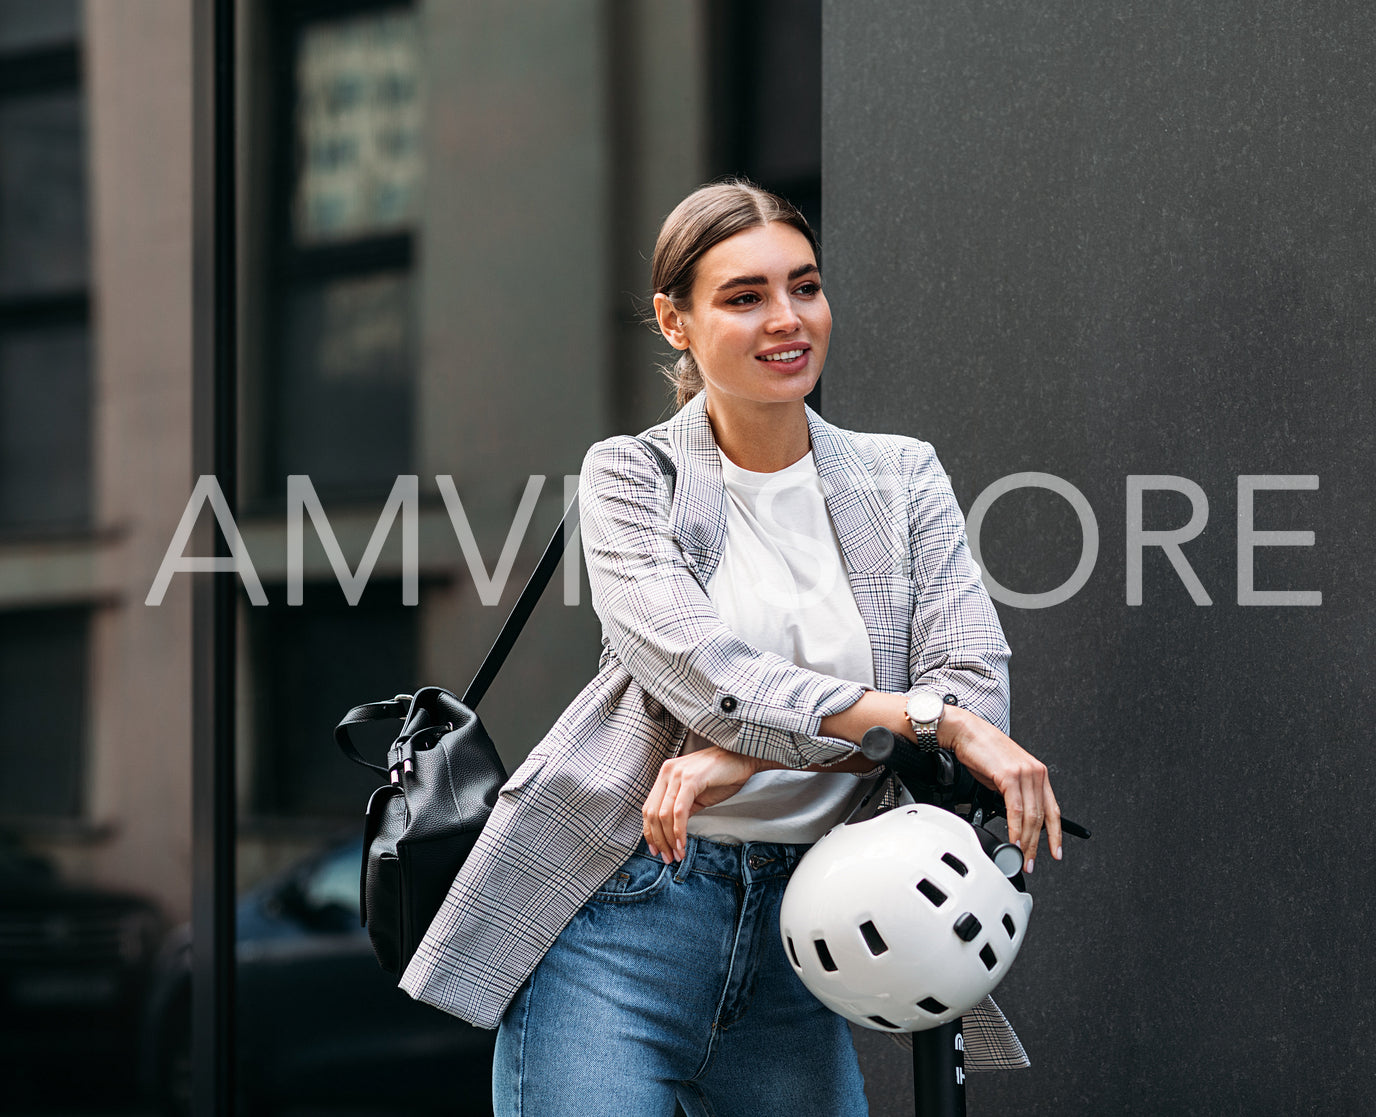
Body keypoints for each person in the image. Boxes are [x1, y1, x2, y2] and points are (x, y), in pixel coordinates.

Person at [397, 180, 1062, 1116]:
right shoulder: (631, 477)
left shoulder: (900, 476)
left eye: (805, 286)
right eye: (744, 296)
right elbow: (713, 681)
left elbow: (971, 686)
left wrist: (742, 760)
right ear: (674, 320)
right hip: (623, 916)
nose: (786, 319)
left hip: (814, 923)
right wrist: (912, 718)